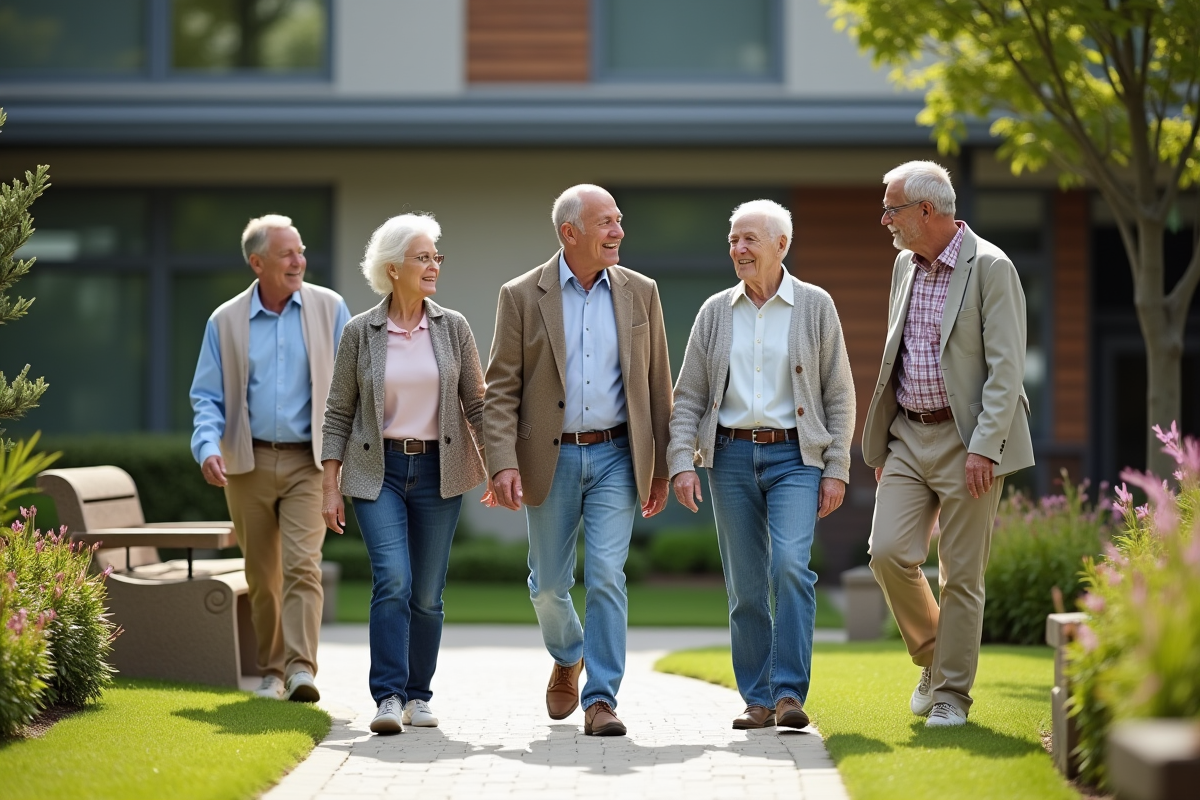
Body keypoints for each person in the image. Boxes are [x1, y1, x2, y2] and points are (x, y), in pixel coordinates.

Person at [482, 184, 673, 737]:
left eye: (619, 220)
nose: (618, 232)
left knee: (609, 574)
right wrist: (502, 462)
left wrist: (660, 466)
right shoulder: (520, 295)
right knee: (547, 585)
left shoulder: (642, 291)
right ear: (570, 233)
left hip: (617, 453)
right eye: (606, 223)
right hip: (552, 457)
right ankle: (569, 654)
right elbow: (501, 388)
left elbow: (658, 383)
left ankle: (602, 700)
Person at [668, 199, 855, 730]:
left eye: (749, 239)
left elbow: (839, 393)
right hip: (727, 456)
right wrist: (683, 460)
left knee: (791, 567)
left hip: (796, 456)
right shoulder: (714, 312)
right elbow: (689, 397)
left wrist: (836, 467)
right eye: (733, 240)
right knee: (746, 584)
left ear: (782, 245)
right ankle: (757, 698)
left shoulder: (815, 307)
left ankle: (790, 693)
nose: (738, 249)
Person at [863, 161, 1034, 727]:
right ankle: (935, 658)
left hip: (970, 440)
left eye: (892, 208)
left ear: (926, 211)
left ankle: (951, 696)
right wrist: (885, 441)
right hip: (909, 434)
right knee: (887, 553)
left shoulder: (991, 267)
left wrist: (986, 446)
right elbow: (899, 355)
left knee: (960, 575)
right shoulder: (901, 267)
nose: (885, 218)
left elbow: (1007, 369)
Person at [320, 213, 490, 735]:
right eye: (423, 257)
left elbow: (477, 405)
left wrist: (500, 467)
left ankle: (420, 695)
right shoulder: (359, 332)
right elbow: (337, 413)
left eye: (436, 256)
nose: (433, 265)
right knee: (392, 579)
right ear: (393, 268)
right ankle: (389, 696)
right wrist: (330, 483)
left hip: (439, 470)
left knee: (427, 594)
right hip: (379, 472)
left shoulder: (453, 326)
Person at [191, 214, 351, 702]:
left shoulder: (330, 308)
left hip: (310, 462)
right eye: (287, 254)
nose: (299, 260)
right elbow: (207, 397)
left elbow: (353, 386)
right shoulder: (225, 320)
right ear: (257, 262)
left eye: (301, 251)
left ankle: (301, 670)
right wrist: (207, 445)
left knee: (303, 564)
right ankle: (272, 670)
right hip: (248, 462)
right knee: (262, 575)